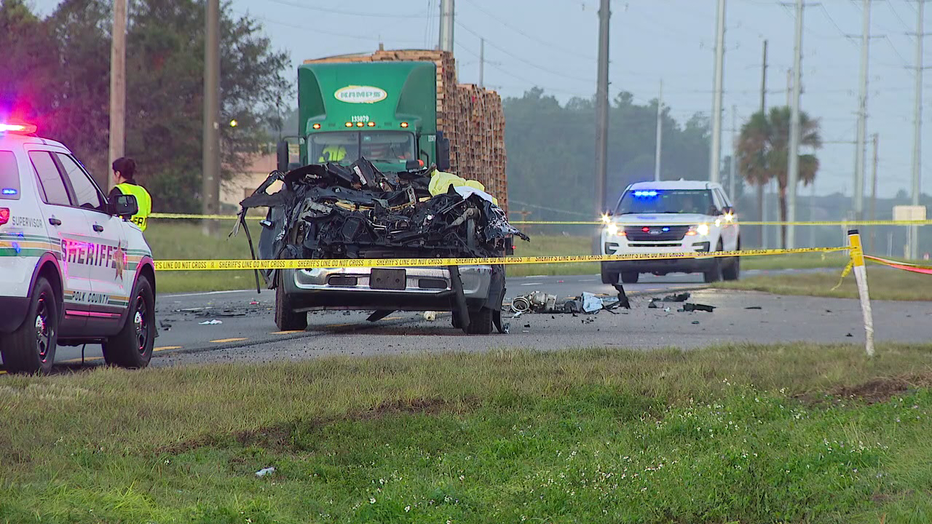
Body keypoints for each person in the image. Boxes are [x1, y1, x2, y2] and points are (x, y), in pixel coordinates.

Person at [108, 157, 152, 231]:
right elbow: (147, 213)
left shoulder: (118, 190)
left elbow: (108, 213)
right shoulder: (144, 192)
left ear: (118, 174)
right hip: (139, 236)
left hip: (122, 234)